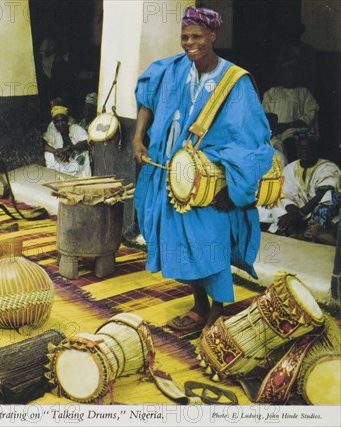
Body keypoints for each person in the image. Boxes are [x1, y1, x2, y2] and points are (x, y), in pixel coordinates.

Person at [132, 6, 274, 331]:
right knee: (179, 244)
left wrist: (231, 189)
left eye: (197, 36)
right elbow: (147, 97)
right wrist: (138, 140)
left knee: (211, 244)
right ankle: (198, 305)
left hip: (214, 181)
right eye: (184, 36)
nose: (190, 43)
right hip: (175, 177)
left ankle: (218, 309)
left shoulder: (234, 81)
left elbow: (251, 139)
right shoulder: (173, 70)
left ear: (212, 36)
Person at [267, 129, 341, 245]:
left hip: (316, 212)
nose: (305, 151)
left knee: (331, 196)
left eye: (309, 148)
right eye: (301, 148)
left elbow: (321, 195)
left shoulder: (328, 167)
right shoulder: (290, 169)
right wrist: (291, 210)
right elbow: (286, 193)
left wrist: (300, 213)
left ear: (316, 149)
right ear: (297, 150)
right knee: (276, 201)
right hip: (297, 211)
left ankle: (312, 232)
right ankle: (292, 233)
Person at [262, 63, 319, 162]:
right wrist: (274, 127)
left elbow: (309, 116)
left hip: (295, 130)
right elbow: (264, 114)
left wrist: (288, 125)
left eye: (292, 74)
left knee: (290, 144)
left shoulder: (304, 92)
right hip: (274, 132)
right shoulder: (271, 92)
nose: (289, 76)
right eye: (286, 73)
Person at [43, 105, 91, 177]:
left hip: (77, 164)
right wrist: (56, 151)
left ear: (67, 120)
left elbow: (86, 143)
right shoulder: (52, 133)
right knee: (48, 154)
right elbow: (43, 144)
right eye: (57, 122)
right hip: (61, 165)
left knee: (83, 154)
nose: (60, 124)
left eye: (62, 120)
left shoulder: (75, 129)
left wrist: (69, 149)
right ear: (54, 123)